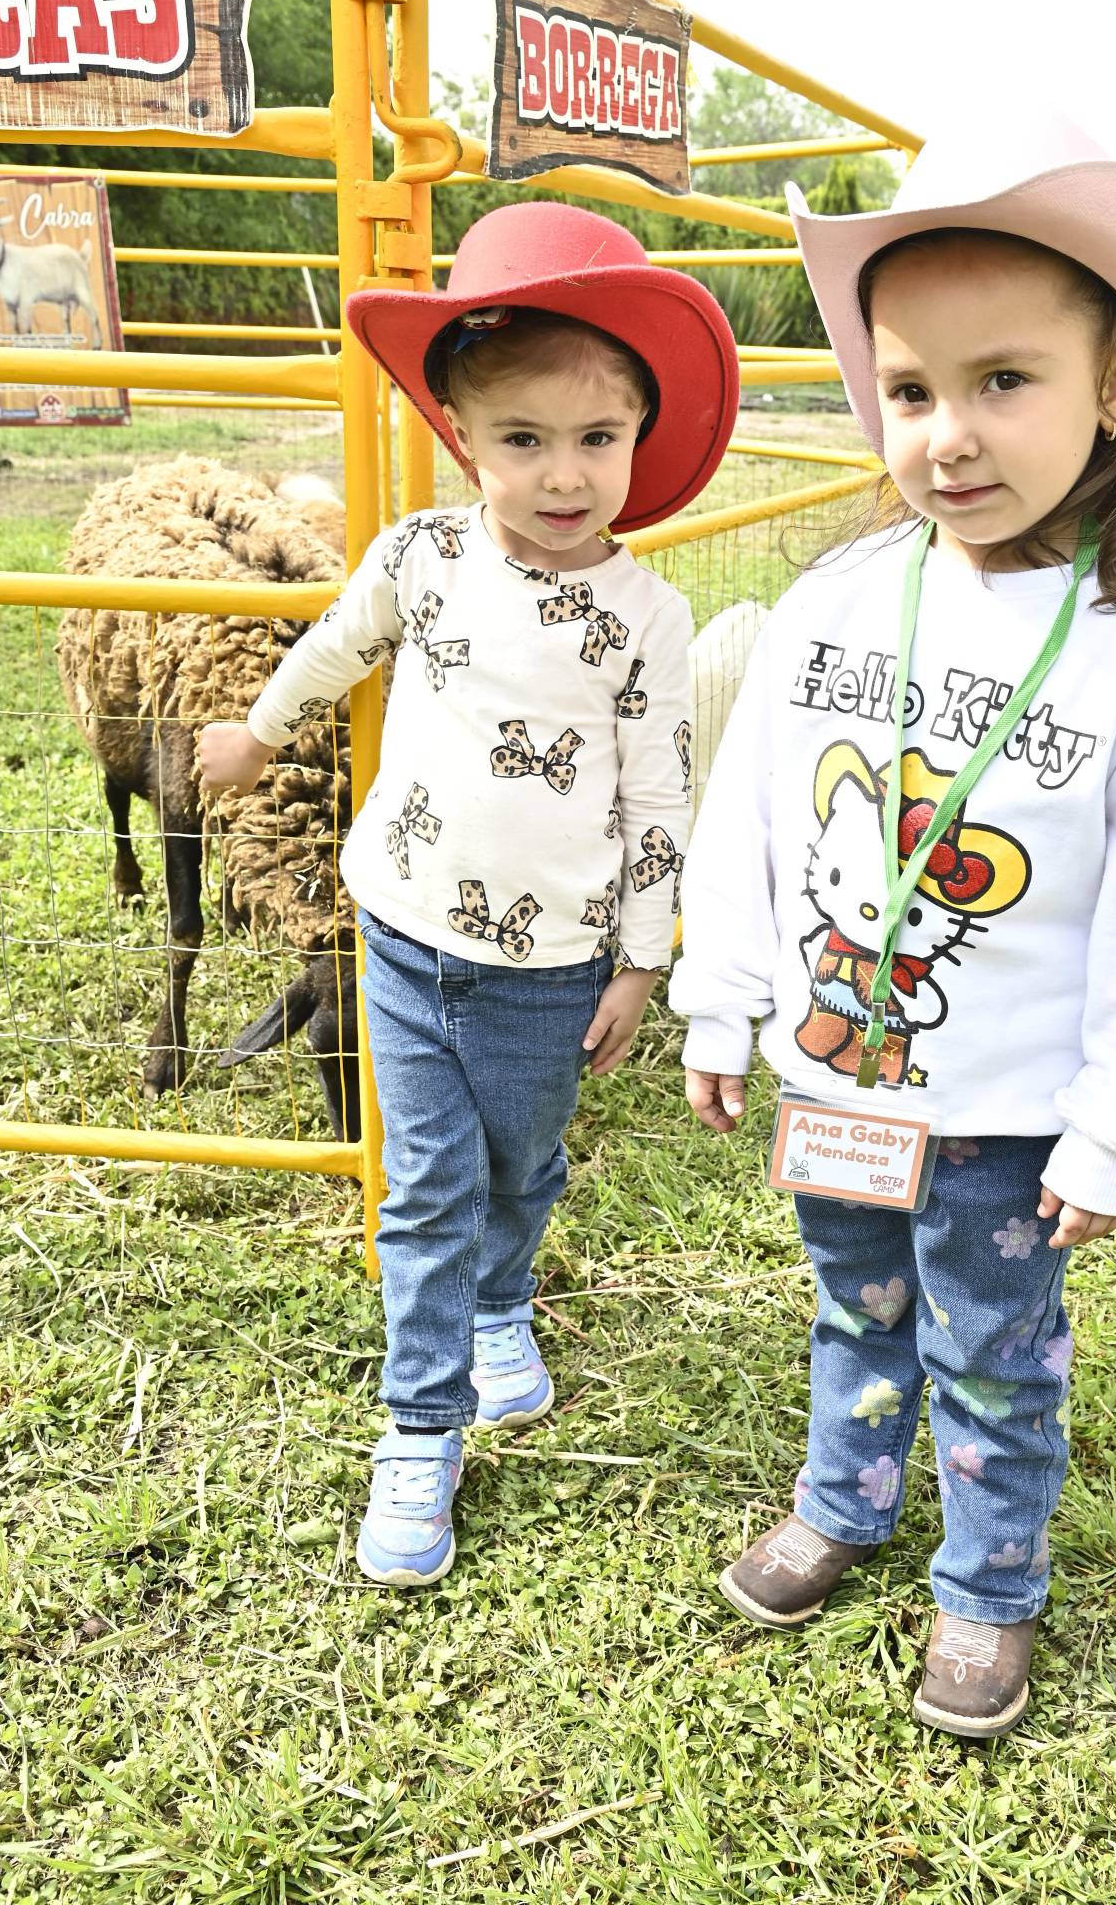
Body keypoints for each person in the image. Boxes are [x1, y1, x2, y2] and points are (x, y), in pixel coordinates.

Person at [670, 111, 1116, 1736]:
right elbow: (754, 813)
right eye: (912, 390)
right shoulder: (836, 603)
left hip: (1006, 1120)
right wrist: (723, 995)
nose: (947, 437)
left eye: (1005, 381)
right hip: (837, 1084)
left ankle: (988, 1586)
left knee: (995, 1352)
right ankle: (845, 1500)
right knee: (854, 1308)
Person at [200, 202, 738, 1588]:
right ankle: (421, 1425)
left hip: (554, 967)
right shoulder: (421, 560)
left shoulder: (647, 618)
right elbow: (337, 645)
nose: (564, 475)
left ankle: (505, 1297)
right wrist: (257, 730)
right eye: (523, 438)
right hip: (402, 932)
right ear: (461, 435)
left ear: (640, 431)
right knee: (431, 1187)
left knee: (523, 1165)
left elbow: (659, 796)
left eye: (597, 437)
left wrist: (641, 963)